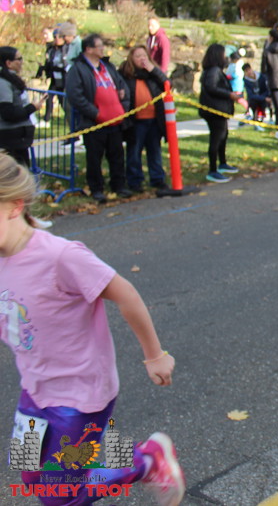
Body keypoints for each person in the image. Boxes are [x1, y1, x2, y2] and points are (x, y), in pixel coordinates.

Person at [0, 153, 186, 506]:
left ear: (15, 206)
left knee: (59, 495)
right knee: (29, 471)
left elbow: (126, 293)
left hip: (78, 396)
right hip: (34, 388)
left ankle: (147, 461)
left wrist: (155, 356)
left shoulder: (61, 257)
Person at [64, 34, 132, 203]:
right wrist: (95, 113)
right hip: (94, 123)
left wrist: (123, 107)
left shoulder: (107, 66)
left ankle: (118, 185)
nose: (103, 49)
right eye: (99, 46)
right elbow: (75, 96)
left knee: (117, 155)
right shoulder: (78, 69)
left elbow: (122, 87)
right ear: (88, 49)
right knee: (94, 157)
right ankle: (96, 188)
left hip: (115, 120)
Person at [119, 46, 168, 192]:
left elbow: (167, 84)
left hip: (154, 120)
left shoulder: (152, 74)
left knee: (155, 151)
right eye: (138, 56)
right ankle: (135, 181)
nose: (142, 59)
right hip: (136, 121)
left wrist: (153, 70)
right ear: (131, 59)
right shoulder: (125, 74)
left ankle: (157, 179)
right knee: (134, 152)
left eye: (144, 56)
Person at [198, 44, 242, 183]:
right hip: (214, 110)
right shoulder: (213, 71)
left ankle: (222, 163)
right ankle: (212, 170)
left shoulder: (216, 71)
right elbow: (212, 87)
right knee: (216, 138)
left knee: (223, 135)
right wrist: (229, 95)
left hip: (219, 109)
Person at [0, 47, 43, 168]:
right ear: (8, 63)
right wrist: (32, 107)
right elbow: (8, 113)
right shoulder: (3, 83)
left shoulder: (11, 79)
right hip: (9, 138)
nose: (22, 62)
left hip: (19, 139)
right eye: (19, 59)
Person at [35, 28, 68, 127]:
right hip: (54, 78)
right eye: (55, 37)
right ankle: (46, 120)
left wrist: (58, 68)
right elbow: (49, 62)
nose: (57, 39)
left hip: (64, 79)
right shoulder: (51, 49)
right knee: (49, 98)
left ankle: (71, 120)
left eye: (59, 37)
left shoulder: (66, 49)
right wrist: (43, 69)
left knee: (63, 102)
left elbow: (66, 65)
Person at [242, 62, 270, 130]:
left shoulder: (261, 76)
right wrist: (263, 98)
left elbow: (266, 89)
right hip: (254, 99)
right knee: (254, 103)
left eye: (249, 70)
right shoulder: (246, 81)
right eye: (246, 71)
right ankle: (256, 121)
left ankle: (263, 120)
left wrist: (264, 97)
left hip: (263, 96)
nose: (249, 72)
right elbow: (250, 94)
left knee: (267, 102)